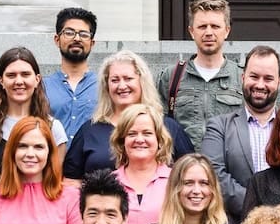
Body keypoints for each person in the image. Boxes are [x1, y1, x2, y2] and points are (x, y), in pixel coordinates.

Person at [63, 50, 194, 181]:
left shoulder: (168, 127)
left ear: (142, 81)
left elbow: (191, 173)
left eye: (128, 78)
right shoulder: (90, 130)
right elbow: (70, 181)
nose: (122, 86)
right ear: (106, 85)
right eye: (114, 80)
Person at [201, 44, 280, 224]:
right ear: (243, 78)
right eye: (254, 76)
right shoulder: (220, 126)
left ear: (279, 82)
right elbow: (214, 174)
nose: (260, 84)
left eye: (268, 78)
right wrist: (258, 207)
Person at [155, 0, 244, 147]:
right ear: (191, 31)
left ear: (227, 30)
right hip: (183, 166)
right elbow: (157, 125)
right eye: (202, 26)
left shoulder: (242, 77)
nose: (208, 32)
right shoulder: (171, 77)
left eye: (215, 26)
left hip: (227, 167)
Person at [0, 47, 70, 172]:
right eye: (11, 75)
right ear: (1, 81)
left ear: (37, 79)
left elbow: (54, 179)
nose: (19, 81)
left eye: (25, 74)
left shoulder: (53, 128)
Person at [111, 103, 175, 224]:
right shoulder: (109, 184)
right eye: (132, 134)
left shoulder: (175, 181)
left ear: (159, 139)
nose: (139, 139)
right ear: (122, 141)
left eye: (147, 133)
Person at [44, 6, 100, 143]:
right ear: (57, 40)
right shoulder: (42, 86)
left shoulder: (105, 86)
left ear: (92, 43)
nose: (77, 38)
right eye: (69, 33)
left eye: (84, 34)